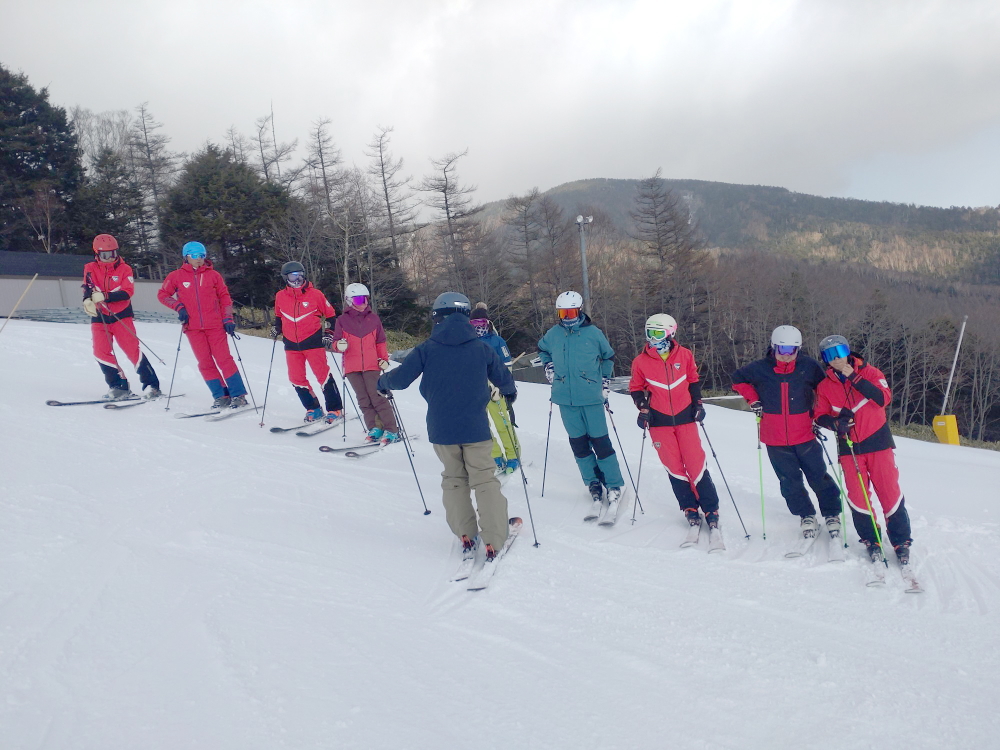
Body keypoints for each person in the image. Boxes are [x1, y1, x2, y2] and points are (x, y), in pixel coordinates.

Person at [376, 291, 517, 562]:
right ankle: (494, 538)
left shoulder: (427, 348)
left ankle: (465, 533)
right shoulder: (482, 348)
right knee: (484, 479)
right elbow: (502, 376)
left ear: (436, 317)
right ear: (466, 316)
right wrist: (509, 393)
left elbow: (401, 379)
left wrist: (382, 383)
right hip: (475, 427)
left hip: (441, 429)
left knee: (453, 479)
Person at [732, 325, 842, 540]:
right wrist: (753, 399)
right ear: (773, 347)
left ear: (798, 349)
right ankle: (806, 514)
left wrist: (820, 414)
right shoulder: (761, 368)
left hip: (805, 433)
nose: (786, 355)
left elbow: (825, 390)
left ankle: (831, 513)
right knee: (789, 481)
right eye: (781, 349)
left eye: (791, 350)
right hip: (774, 437)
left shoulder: (808, 367)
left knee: (818, 476)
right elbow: (738, 379)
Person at [813, 335, 913, 566]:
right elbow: (820, 415)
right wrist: (835, 424)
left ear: (848, 351)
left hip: (878, 443)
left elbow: (882, 398)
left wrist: (852, 375)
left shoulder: (871, 373)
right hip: (849, 448)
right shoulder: (825, 385)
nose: (837, 358)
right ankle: (871, 539)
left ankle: (901, 540)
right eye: (830, 355)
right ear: (825, 359)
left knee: (889, 491)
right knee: (858, 496)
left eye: (840, 351)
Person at [629, 314, 721, 533]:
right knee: (674, 467)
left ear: (671, 333)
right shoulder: (640, 361)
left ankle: (711, 509)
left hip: (685, 418)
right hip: (659, 422)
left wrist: (698, 404)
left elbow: (693, 380)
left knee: (695, 463)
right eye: (649, 333)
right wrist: (643, 408)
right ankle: (689, 508)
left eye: (658, 333)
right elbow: (635, 388)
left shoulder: (685, 355)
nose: (653, 338)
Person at [537, 290, 625, 519]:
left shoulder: (593, 334)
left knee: (601, 442)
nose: (567, 317)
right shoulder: (554, 334)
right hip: (565, 399)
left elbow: (608, 356)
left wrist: (604, 380)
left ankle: (613, 484)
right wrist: (548, 367)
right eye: (563, 313)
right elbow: (542, 349)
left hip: (591, 397)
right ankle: (593, 483)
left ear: (580, 310)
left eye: (571, 312)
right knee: (579, 445)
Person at [157, 241, 248, 409]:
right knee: (205, 363)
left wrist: (228, 319)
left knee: (224, 359)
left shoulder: (214, 276)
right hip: (193, 328)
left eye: (202, 256)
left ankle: (238, 395)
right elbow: (163, 295)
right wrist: (178, 307)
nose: (199, 260)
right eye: (195, 256)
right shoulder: (176, 276)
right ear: (186, 257)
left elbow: (225, 298)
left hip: (215, 326)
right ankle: (221, 395)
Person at [81, 234, 161, 400]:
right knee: (100, 351)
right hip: (100, 316)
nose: (110, 259)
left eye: (113, 254)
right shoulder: (90, 267)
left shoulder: (125, 269)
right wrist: (87, 300)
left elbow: (127, 292)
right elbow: (88, 286)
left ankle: (151, 385)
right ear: (97, 254)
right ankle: (118, 385)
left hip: (121, 315)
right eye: (105, 255)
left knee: (131, 350)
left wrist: (105, 296)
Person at [271, 261, 343, 423]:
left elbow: (331, 316)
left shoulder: (315, 294)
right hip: (291, 344)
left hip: (313, 342)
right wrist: (277, 328)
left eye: (300, 274)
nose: (297, 279)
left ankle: (335, 409)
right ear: (286, 278)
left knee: (322, 375)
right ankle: (313, 408)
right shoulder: (280, 296)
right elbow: (279, 317)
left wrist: (329, 333)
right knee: (296, 378)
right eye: (293, 275)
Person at [329, 282, 396, 443]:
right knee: (363, 400)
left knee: (378, 397)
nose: (364, 303)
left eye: (365, 299)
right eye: (359, 300)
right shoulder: (342, 320)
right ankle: (374, 428)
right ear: (350, 300)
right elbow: (336, 342)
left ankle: (391, 429)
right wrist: (339, 345)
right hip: (352, 367)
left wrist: (383, 359)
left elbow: (380, 341)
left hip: (372, 365)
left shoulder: (373, 319)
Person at [470, 303, 521, 474]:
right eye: (474, 324)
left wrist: (502, 387)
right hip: (476, 389)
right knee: (483, 425)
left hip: (494, 389)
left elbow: (507, 366)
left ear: (488, 323)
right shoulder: (468, 342)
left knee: (502, 423)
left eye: (481, 323)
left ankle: (513, 456)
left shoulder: (497, 340)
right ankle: (496, 455)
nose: (479, 328)